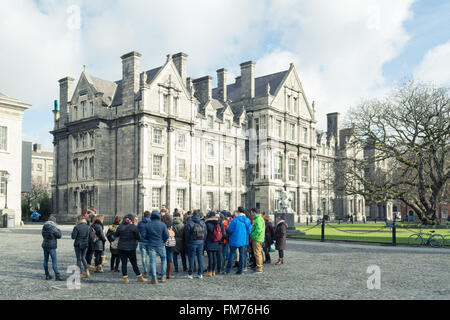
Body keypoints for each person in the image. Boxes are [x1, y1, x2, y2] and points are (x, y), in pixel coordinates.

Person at [114, 214, 147, 283]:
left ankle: (125, 278)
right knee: (134, 263)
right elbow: (139, 237)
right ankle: (139, 277)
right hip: (131, 248)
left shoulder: (120, 227)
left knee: (123, 263)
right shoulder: (133, 227)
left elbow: (115, 235)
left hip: (121, 248)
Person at [143, 210, 169, 284]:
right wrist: (163, 241)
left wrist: (149, 238)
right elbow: (166, 235)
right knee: (163, 259)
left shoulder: (148, 225)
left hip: (151, 244)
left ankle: (154, 278)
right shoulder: (163, 224)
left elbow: (144, 236)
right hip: (161, 244)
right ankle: (163, 276)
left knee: (152, 261)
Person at [225, 209, 251, 275]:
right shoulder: (247, 220)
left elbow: (230, 230)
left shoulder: (235, 220)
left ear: (238, 213)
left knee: (232, 255)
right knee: (242, 256)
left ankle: (228, 271)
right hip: (243, 240)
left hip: (234, 240)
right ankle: (240, 270)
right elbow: (249, 231)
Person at [185, 209, 207, 279]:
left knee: (191, 258)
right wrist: (203, 241)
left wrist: (188, 242)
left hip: (192, 243)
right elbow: (205, 233)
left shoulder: (190, 223)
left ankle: (190, 274)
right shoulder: (203, 223)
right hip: (200, 242)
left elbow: (187, 234)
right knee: (200, 258)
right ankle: (200, 274)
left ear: (193, 215)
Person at [41, 215, 64, 281]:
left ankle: (47, 275)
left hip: (45, 245)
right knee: (54, 261)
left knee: (45, 260)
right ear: (54, 221)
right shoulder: (53, 227)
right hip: (52, 246)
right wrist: (58, 229)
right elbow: (59, 236)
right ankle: (57, 275)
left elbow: (43, 235)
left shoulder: (44, 226)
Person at [204, 211, 224, 277]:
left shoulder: (207, 223)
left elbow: (206, 234)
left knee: (210, 257)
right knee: (214, 257)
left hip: (210, 241)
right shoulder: (217, 223)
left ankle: (209, 271)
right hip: (216, 241)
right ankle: (213, 271)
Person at [250, 208, 265, 273]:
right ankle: (258, 266)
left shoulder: (258, 219)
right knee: (258, 253)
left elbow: (258, 230)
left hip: (257, 238)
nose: (251, 214)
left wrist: (253, 236)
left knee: (257, 253)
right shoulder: (259, 219)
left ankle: (259, 268)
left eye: (251, 212)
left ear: (254, 212)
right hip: (258, 238)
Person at [137, 211, 152, 276]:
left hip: (142, 241)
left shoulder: (140, 223)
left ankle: (145, 270)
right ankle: (151, 269)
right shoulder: (151, 223)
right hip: (150, 241)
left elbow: (137, 232)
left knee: (143, 257)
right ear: (149, 216)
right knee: (151, 256)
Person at [161, 213, 175, 279]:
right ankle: (169, 273)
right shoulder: (171, 224)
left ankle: (164, 273)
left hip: (163, 240)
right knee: (169, 256)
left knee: (163, 257)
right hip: (170, 241)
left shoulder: (162, 224)